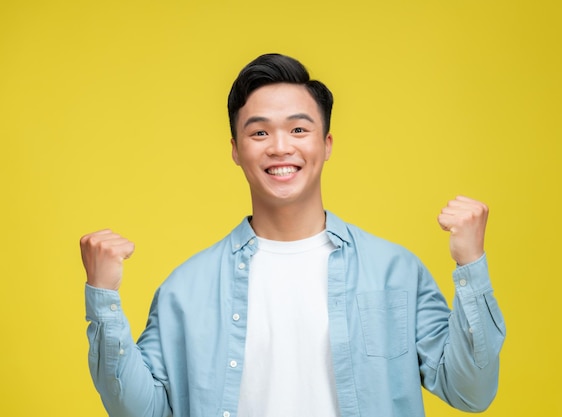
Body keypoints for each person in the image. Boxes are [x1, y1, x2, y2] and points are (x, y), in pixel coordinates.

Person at [81, 53, 505, 417]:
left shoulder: (395, 271)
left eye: (299, 129)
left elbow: (471, 392)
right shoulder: (186, 289)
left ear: (326, 143)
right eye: (260, 132)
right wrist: (103, 298)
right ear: (235, 149)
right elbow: (141, 410)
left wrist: (471, 264)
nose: (280, 147)